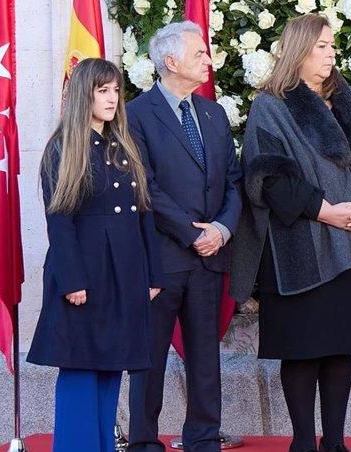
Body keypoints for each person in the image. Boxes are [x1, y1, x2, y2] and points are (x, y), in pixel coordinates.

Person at [229, 14, 351, 452]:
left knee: (340, 348)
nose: (330, 54)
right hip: (300, 246)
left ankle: (336, 443)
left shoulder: (345, 100)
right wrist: (327, 213)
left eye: (332, 46)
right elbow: (267, 175)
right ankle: (303, 443)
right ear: (299, 50)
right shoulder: (273, 104)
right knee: (304, 349)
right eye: (322, 46)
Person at [29, 58, 162, 452]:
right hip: (85, 275)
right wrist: (73, 281)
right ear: (83, 94)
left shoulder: (123, 146)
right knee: (81, 370)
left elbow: (143, 214)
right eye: (102, 90)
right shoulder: (63, 148)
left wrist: (153, 275)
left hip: (124, 273)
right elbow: (60, 220)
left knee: (110, 369)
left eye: (116, 90)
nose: (112, 98)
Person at [127, 22, 243, 452]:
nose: (208, 61)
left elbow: (234, 180)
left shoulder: (213, 113)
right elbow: (144, 185)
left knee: (205, 357)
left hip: (211, 256)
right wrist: (191, 234)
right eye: (200, 54)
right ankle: (142, 441)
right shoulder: (136, 114)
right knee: (150, 357)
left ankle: (203, 437)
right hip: (161, 257)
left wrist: (222, 229)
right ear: (171, 61)